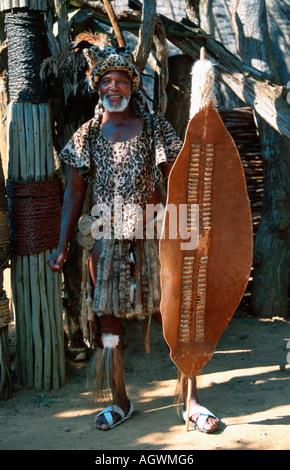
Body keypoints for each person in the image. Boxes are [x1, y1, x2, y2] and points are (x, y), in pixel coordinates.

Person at [47, 41, 220, 433]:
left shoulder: (156, 127)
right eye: (105, 80)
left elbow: (179, 181)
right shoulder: (86, 135)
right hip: (105, 239)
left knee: (175, 317)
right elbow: (74, 193)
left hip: (155, 235)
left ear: (132, 86)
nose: (113, 86)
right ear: (97, 87)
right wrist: (61, 245)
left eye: (120, 80)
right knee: (109, 326)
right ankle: (120, 401)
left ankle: (191, 402)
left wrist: (190, 229)